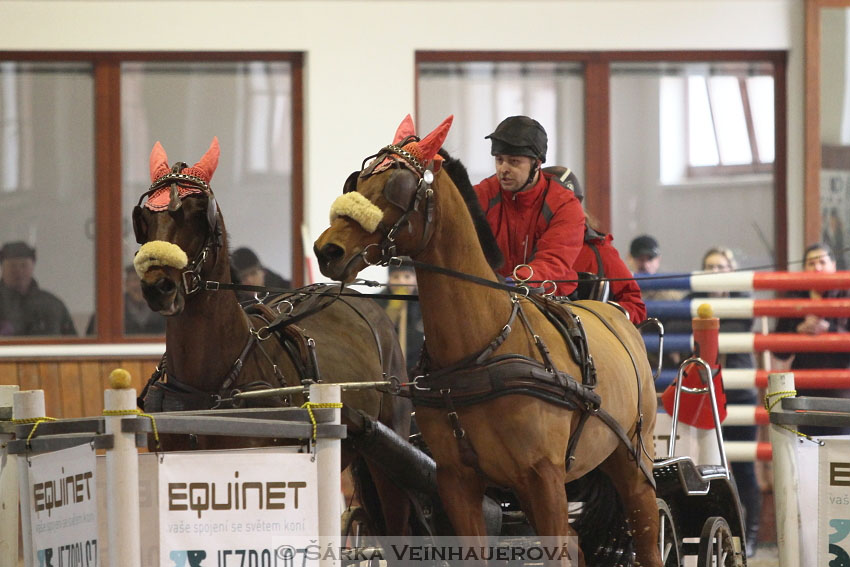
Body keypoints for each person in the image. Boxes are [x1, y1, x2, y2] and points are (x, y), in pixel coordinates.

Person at [692, 246, 761, 557]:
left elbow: (723, 333)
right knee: (704, 468)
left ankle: (752, 537)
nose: (715, 271)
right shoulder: (690, 301)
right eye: (709, 266)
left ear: (731, 271)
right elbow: (680, 327)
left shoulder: (741, 303)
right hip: (703, 396)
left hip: (739, 394)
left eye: (721, 266)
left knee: (745, 469)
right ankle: (709, 537)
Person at [474, 116, 585, 297]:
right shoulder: (483, 194)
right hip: (492, 296)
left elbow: (552, 260)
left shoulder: (565, 206)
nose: (503, 168)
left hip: (551, 299)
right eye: (499, 160)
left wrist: (514, 282)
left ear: (537, 163)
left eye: (514, 161)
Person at [543, 166, 646, 324]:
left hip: (588, 344)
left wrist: (600, 317)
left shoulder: (600, 252)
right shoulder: (521, 247)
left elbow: (635, 307)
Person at [773, 242, 850, 436]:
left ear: (834, 266)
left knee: (840, 449)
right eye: (811, 263)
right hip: (803, 387)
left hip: (841, 388)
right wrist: (798, 331)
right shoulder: (793, 298)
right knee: (806, 447)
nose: (817, 268)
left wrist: (830, 330)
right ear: (804, 269)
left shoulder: (847, 294)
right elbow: (778, 351)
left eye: (822, 262)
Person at [0, 241, 76, 336]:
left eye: (23, 265)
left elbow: (73, 344)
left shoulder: (53, 305)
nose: (18, 271)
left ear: (32, 266)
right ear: (2, 267)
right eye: (12, 266)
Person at [86, 265, 166, 335]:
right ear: (126, 284)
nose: (139, 285)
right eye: (134, 280)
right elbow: (92, 337)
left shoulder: (163, 307)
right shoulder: (111, 307)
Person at [376, 262, 424, 375]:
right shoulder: (377, 302)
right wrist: (394, 307)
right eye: (396, 277)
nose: (402, 282)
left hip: (417, 366)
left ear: (415, 280)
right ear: (389, 280)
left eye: (407, 276)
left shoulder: (424, 303)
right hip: (388, 365)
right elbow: (380, 330)